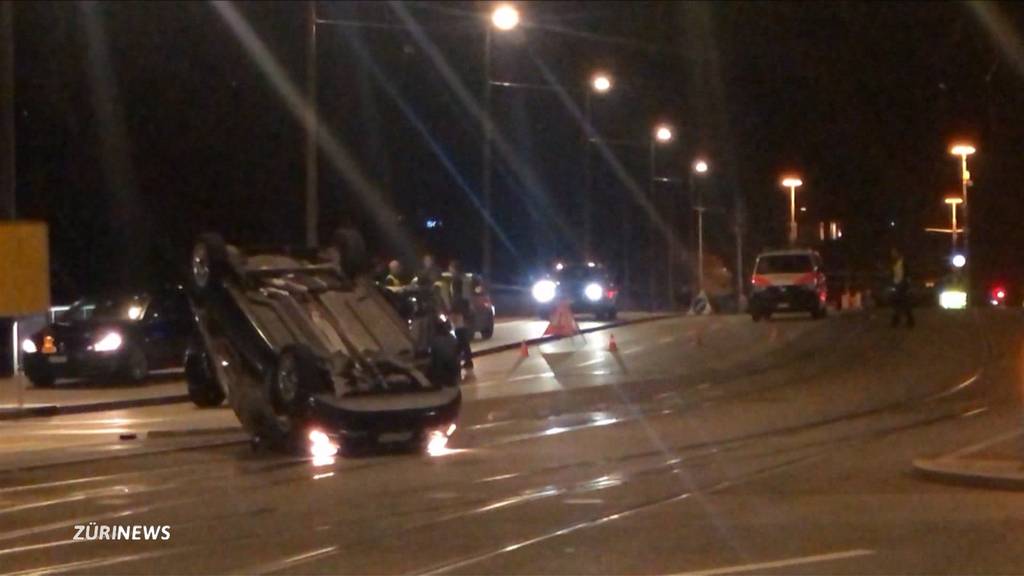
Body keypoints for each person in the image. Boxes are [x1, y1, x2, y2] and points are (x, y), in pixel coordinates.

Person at [435, 260, 474, 370]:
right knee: (461, 336)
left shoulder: (459, 280)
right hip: (459, 311)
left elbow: (463, 298)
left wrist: (452, 310)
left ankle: (461, 359)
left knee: (460, 335)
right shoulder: (459, 280)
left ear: (455, 269)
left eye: (451, 268)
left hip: (458, 311)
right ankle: (465, 359)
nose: (449, 270)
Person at [890, 247, 915, 328]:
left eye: (894, 253)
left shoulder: (902, 263)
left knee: (902, 303)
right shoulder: (896, 264)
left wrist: (905, 284)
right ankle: (904, 321)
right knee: (901, 304)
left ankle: (898, 321)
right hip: (898, 284)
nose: (893, 255)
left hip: (902, 285)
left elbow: (906, 274)